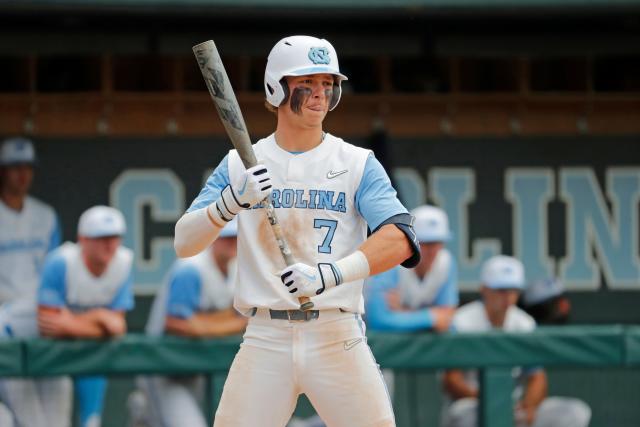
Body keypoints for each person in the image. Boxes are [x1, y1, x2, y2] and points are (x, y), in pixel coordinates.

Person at [174, 35, 420, 427]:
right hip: (264, 335)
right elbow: (184, 242)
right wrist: (229, 203)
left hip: (336, 332)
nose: (320, 94)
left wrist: (329, 275)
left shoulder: (357, 162)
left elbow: (402, 239)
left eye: (328, 84)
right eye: (308, 83)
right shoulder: (240, 164)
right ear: (277, 88)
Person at [440, 255, 591, 427]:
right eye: (501, 289)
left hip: (514, 406)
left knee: (574, 413)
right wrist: (488, 400)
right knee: (466, 417)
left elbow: (537, 378)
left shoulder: (524, 324)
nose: (507, 296)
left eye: (513, 290)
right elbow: (451, 380)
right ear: (484, 289)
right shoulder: (462, 321)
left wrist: (528, 406)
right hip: (473, 404)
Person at [136, 219, 246, 427]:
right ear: (212, 238)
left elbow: (243, 318)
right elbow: (177, 324)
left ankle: (144, 416)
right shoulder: (191, 269)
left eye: (236, 237)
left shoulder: (237, 269)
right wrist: (233, 323)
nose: (232, 242)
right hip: (163, 367)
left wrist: (202, 324)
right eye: (226, 237)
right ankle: (146, 414)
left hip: (195, 369)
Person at [38, 206, 135, 427]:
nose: (109, 245)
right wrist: (101, 319)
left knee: (92, 422)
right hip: (50, 353)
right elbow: (49, 325)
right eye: (101, 238)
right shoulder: (60, 262)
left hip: (90, 352)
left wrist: (73, 321)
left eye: (114, 237)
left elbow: (117, 326)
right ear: (83, 239)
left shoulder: (123, 263)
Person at [0, 136, 67, 427]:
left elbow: (55, 273)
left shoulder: (45, 215)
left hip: (40, 317)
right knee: (22, 416)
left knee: (56, 411)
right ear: (3, 170)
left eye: (27, 166)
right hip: (3, 321)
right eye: (15, 167)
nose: (22, 173)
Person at [366, 204, 458, 333]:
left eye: (437, 242)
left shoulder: (446, 262)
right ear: (409, 241)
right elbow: (378, 321)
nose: (431, 250)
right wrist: (430, 317)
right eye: (424, 243)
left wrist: (403, 312)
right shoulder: (390, 260)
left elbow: (446, 321)